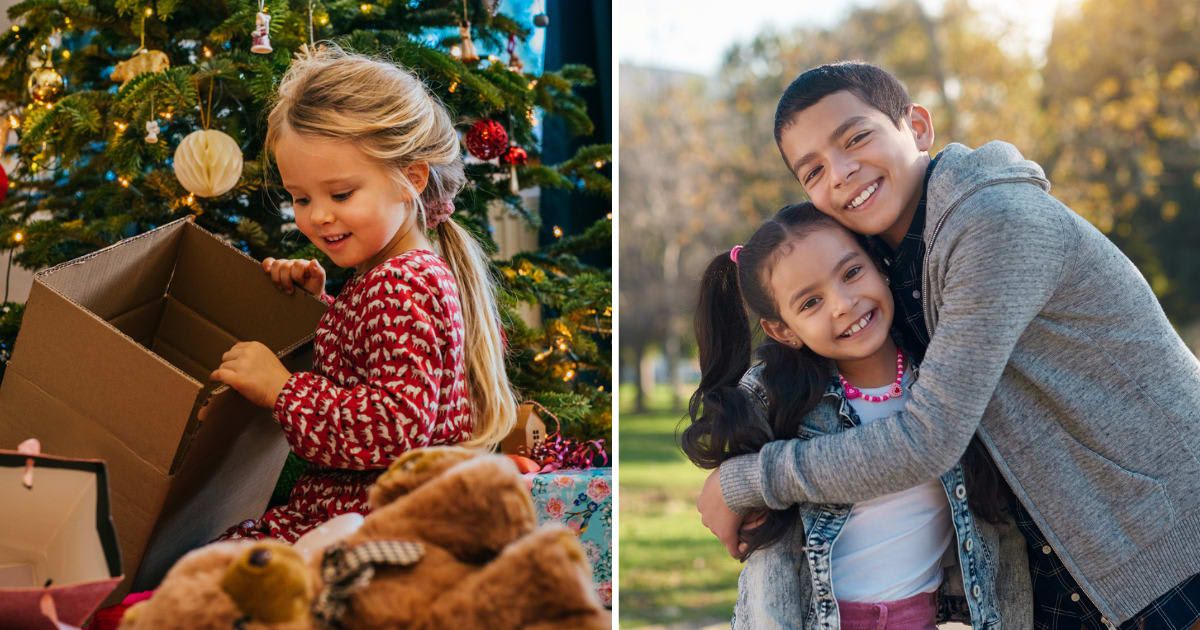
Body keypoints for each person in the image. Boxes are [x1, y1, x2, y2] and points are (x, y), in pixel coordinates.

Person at [697, 61, 1200, 629]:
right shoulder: (881, 265)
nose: (839, 172)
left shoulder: (994, 223)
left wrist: (749, 480)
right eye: (812, 170)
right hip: (1074, 557)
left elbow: (927, 438)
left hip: (1168, 541)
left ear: (916, 127)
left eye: (856, 137)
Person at [210, 45, 516, 542]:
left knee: (224, 574)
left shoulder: (399, 283)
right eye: (301, 198)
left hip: (376, 523)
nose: (318, 216)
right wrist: (321, 306)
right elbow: (376, 361)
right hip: (370, 512)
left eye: (341, 194)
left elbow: (392, 427)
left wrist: (282, 389)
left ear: (410, 179)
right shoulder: (395, 273)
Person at [682, 202, 1030, 629]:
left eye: (851, 273)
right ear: (782, 330)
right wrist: (731, 481)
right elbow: (735, 500)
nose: (843, 305)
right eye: (810, 302)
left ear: (877, 264)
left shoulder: (944, 381)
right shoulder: (777, 398)